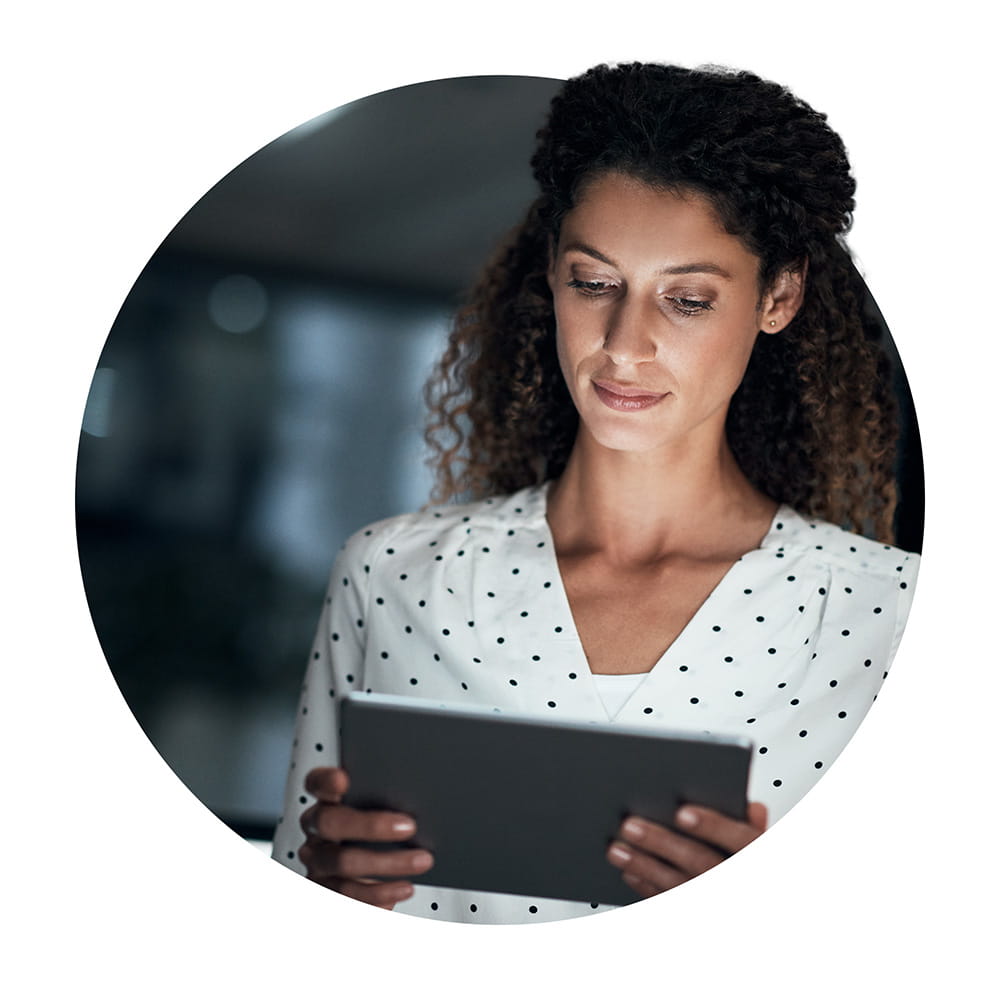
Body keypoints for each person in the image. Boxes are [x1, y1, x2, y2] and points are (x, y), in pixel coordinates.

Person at [270, 62, 919, 923]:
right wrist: (328, 895)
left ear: (780, 295)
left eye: (686, 299)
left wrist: (777, 917)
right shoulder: (390, 575)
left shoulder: (889, 615)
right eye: (594, 282)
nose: (624, 343)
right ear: (551, 273)